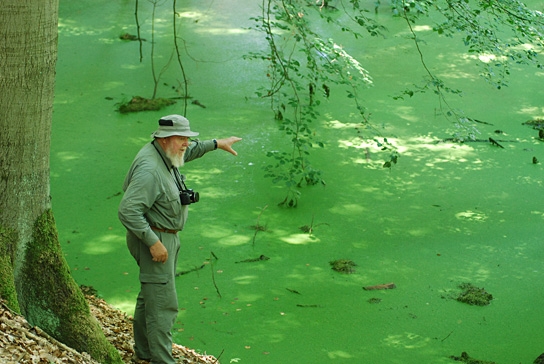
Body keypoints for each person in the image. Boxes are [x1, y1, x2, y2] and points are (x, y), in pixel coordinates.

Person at [118, 114, 241, 364]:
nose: (186, 143)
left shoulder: (162, 153)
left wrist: (216, 143)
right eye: (182, 138)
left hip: (162, 237)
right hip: (155, 239)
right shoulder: (151, 170)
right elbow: (127, 210)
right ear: (164, 139)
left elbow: (189, 151)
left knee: (150, 296)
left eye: (188, 138)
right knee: (163, 306)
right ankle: (162, 360)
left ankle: (143, 354)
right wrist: (153, 243)